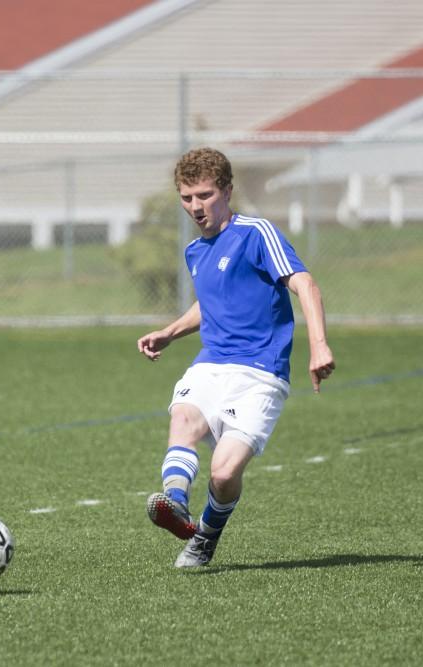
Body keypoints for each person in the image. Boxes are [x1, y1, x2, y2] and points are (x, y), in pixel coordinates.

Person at [137, 147, 335, 568]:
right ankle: (175, 503)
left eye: (205, 196)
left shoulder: (255, 233)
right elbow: (212, 303)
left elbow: (305, 284)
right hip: (212, 363)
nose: (196, 207)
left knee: (224, 475)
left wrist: (319, 344)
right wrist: (170, 332)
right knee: (183, 419)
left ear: (227, 191)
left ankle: (206, 535)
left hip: (262, 371)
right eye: (187, 198)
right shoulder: (196, 251)